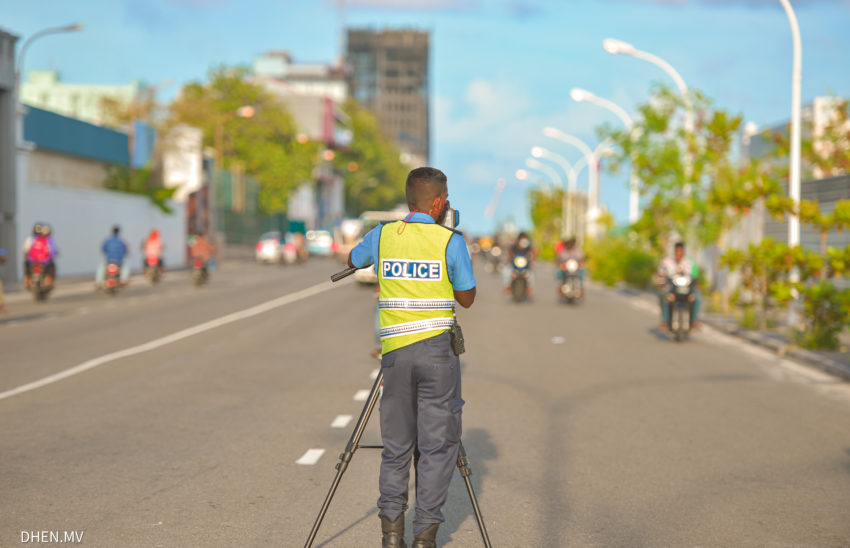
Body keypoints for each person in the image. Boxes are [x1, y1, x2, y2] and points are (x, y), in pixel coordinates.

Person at [348, 167, 476, 548]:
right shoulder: (449, 240)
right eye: (446, 199)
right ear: (439, 203)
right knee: (437, 447)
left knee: (396, 446)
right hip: (437, 356)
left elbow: (355, 259)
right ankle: (424, 538)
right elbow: (467, 298)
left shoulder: (384, 235)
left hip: (395, 356)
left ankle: (391, 535)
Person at [657, 241, 701, 331]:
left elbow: (694, 276)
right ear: (674, 251)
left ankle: (694, 320)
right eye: (677, 251)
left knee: (697, 297)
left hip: (686, 287)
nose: (679, 253)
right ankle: (665, 320)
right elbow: (661, 274)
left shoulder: (689, 262)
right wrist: (661, 284)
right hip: (671, 287)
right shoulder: (667, 262)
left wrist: (696, 286)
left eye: (681, 251)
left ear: (683, 252)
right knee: (664, 295)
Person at [23, 223, 57, 289]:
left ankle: (27, 280)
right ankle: (49, 281)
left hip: (32, 261)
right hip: (44, 261)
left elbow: (25, 249)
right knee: (51, 265)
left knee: (26, 263)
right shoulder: (48, 239)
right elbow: (53, 250)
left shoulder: (31, 239)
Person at [503, 231, 536, 298]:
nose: (523, 240)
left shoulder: (529, 247)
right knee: (506, 271)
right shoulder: (514, 247)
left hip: (525, 267)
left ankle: (529, 288)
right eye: (522, 238)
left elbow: (533, 254)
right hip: (514, 266)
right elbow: (509, 255)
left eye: (525, 238)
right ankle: (507, 286)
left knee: (531, 274)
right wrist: (509, 259)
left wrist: (532, 258)